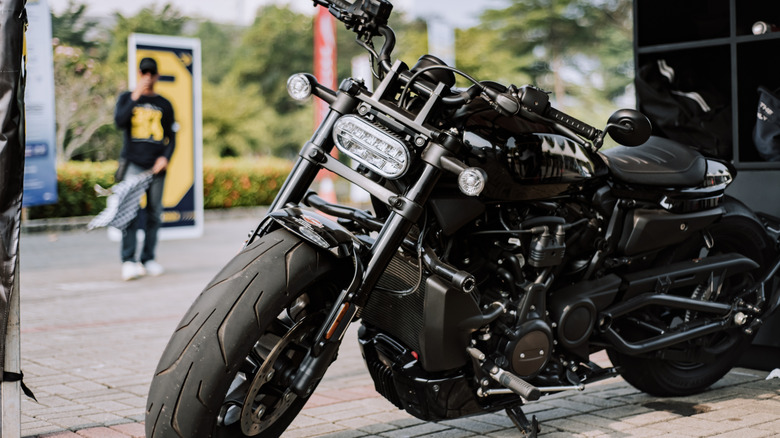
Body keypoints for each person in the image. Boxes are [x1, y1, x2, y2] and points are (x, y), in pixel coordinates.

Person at [114, 57, 176, 281]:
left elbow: (172, 136)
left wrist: (165, 158)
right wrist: (135, 96)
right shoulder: (127, 98)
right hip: (133, 164)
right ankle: (128, 261)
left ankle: (148, 258)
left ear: (157, 75)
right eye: (144, 73)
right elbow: (119, 122)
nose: (148, 77)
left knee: (154, 214)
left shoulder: (165, 103)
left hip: (156, 168)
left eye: (152, 73)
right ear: (139, 74)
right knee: (129, 212)